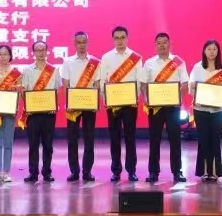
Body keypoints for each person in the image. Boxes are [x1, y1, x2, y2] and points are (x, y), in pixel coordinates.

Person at [142, 32, 188, 183]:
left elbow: (184, 84)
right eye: (159, 43)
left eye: (165, 42)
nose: (162, 45)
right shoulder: (149, 63)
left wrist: (178, 97)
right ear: (155, 45)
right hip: (155, 107)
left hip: (173, 107)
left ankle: (177, 171)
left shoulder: (178, 62)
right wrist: (146, 99)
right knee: (154, 139)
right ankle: (153, 172)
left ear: (170, 44)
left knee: (175, 139)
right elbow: (143, 85)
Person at [99, 25, 143, 182]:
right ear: (113, 39)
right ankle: (116, 171)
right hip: (113, 105)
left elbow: (139, 81)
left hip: (130, 104)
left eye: (122, 37)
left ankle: (131, 171)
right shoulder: (106, 58)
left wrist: (134, 98)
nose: (120, 40)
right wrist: (106, 99)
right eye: (116, 38)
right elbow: (103, 81)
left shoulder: (135, 58)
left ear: (127, 38)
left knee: (130, 137)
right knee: (114, 137)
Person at [62, 31, 100, 182]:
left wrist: (95, 101)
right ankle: (74, 171)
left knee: (89, 138)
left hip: (89, 105)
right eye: (79, 42)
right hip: (73, 106)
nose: (82, 45)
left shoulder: (95, 62)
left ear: (87, 43)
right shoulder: (68, 62)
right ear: (74, 44)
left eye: (84, 42)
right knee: (72, 139)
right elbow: (66, 84)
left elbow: (97, 84)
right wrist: (68, 102)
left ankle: (87, 171)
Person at [189, 40, 222, 182]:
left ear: (218, 51)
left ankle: (215, 172)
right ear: (204, 51)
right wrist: (195, 89)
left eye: (214, 49)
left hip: (217, 111)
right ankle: (204, 171)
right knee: (203, 140)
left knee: (215, 140)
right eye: (209, 49)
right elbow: (191, 86)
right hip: (200, 110)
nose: (212, 52)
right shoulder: (197, 67)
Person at [22, 40, 59, 182]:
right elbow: (24, 91)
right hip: (33, 114)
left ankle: (47, 172)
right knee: (33, 145)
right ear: (33, 53)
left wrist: (52, 105)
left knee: (48, 145)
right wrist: (29, 105)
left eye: (43, 50)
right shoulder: (27, 70)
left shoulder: (53, 70)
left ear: (47, 51)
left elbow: (56, 91)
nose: (41, 53)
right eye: (38, 50)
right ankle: (33, 173)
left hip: (49, 113)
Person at [0, 44, 23, 183]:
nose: (3, 57)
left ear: (10, 56)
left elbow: (19, 93)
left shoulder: (16, 73)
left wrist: (14, 106)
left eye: (5, 54)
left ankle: (6, 172)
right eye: (0, 54)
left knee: (8, 142)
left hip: (9, 111)